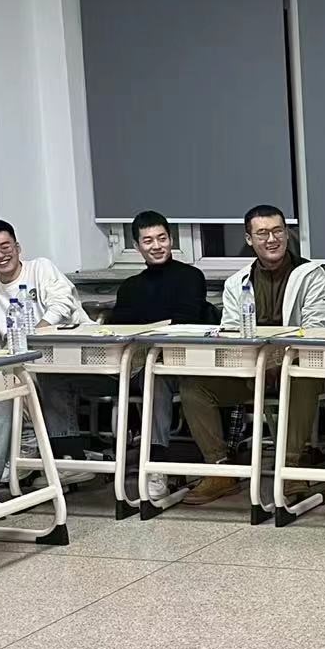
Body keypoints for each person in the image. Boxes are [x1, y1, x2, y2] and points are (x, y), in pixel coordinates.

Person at [179, 204, 325, 506]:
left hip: (296, 365)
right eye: (262, 233)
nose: (271, 239)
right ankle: (220, 470)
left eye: (277, 231)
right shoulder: (237, 283)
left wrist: (277, 358)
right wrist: (257, 360)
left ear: (287, 234)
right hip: (251, 369)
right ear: (249, 239)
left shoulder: (310, 274)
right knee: (194, 387)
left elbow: (316, 328)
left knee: (300, 376)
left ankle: (291, 468)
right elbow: (231, 333)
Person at [0, 219, 93, 490]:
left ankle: (66, 456)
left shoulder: (41, 268)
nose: (0, 254)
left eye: (5, 246)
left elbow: (62, 303)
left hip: (73, 354)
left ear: (17, 247)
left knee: (41, 376)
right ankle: (21, 451)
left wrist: (36, 333)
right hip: (25, 363)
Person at [104, 210, 210, 503]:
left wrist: (147, 325)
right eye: (148, 240)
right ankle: (68, 457)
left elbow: (187, 320)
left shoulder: (191, 277)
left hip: (180, 363)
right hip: (135, 363)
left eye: (162, 238)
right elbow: (119, 325)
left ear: (171, 239)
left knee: (156, 375)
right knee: (62, 377)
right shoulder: (130, 287)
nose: (157, 246)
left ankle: (156, 465)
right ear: (137, 246)